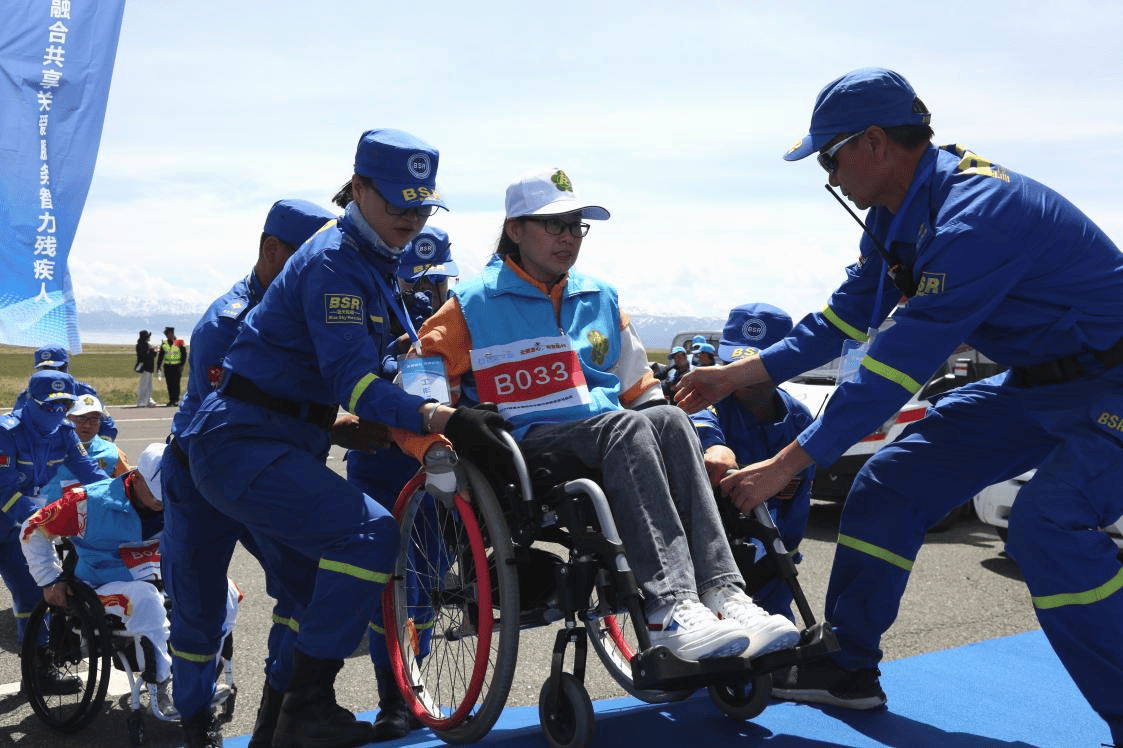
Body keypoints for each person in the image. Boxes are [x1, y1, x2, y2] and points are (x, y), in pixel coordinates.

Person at [675, 68, 1123, 743]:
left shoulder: (976, 216)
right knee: (889, 481)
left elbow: (892, 369)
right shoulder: (897, 215)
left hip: (1112, 384)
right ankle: (847, 664)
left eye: (829, 158)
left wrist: (786, 464)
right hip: (1040, 383)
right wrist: (735, 375)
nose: (829, 177)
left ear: (874, 142)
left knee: (1047, 526)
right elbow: (842, 318)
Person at [180, 129, 508, 748]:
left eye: (422, 207)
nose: (410, 219)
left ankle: (281, 724)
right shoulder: (335, 263)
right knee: (369, 535)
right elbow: (353, 385)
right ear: (358, 188)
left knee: (309, 590)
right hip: (243, 443)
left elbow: (378, 361)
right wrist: (440, 418)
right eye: (398, 203)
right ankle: (303, 706)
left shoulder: (372, 258)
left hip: (277, 440)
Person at [415, 167, 800, 665]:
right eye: (554, 225)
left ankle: (723, 591)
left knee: (669, 419)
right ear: (515, 230)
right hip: (527, 447)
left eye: (576, 225)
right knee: (629, 425)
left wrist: (698, 440)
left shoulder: (601, 296)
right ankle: (668, 606)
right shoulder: (471, 304)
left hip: (612, 435)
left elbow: (641, 387)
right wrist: (438, 454)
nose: (569, 237)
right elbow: (421, 387)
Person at [161, 198, 336, 748]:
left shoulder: (310, 313)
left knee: (306, 591)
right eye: (308, 261)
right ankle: (195, 724)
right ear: (272, 251)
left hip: (273, 470)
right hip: (204, 476)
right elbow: (247, 424)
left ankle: (275, 718)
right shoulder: (227, 324)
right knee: (198, 611)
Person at [341, 223, 458, 741]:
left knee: (426, 583)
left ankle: (415, 682)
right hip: (383, 468)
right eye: (420, 281)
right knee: (389, 586)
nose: (432, 291)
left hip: (440, 469)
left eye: (439, 280)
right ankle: (393, 696)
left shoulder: (459, 326)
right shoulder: (368, 318)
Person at [20, 443, 239, 720]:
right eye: (156, 494)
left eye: (168, 493)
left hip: (163, 577)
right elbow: (33, 529)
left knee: (224, 589)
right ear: (135, 477)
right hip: (102, 585)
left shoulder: (184, 496)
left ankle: (203, 674)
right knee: (146, 598)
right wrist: (49, 580)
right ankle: (164, 685)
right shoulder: (87, 502)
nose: (163, 502)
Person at [689, 303, 814, 621]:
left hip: (772, 564)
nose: (745, 375)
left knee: (779, 635)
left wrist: (782, 562)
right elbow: (698, 421)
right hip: (707, 566)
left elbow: (796, 509)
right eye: (736, 363)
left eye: (757, 365)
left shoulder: (799, 419)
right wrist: (715, 447)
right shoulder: (708, 402)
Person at [0, 370, 109, 692]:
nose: (58, 412)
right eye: (50, 405)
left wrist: (125, 498)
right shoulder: (6, 432)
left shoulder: (64, 432)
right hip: (17, 513)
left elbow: (90, 472)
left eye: (64, 405)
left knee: (33, 594)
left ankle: (37, 673)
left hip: (17, 527)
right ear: (30, 402)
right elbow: (2, 490)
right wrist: (42, 516)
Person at [13, 344, 118, 440]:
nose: (52, 373)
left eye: (57, 368)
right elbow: (16, 430)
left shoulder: (85, 392)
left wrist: (101, 447)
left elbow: (107, 426)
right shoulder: (27, 396)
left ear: (67, 367)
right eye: (45, 369)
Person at [42, 393, 130, 501]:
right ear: (67, 418)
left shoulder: (113, 454)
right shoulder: (43, 449)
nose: (87, 425)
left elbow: (128, 491)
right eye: (81, 418)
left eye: (93, 419)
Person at [156, 327, 188, 406]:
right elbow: (161, 355)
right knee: (169, 384)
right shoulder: (165, 344)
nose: (168, 336)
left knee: (176, 383)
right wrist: (158, 366)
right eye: (167, 334)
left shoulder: (179, 342)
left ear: (172, 334)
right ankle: (171, 400)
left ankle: (176, 400)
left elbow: (184, 355)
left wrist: (182, 365)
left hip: (176, 366)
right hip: (167, 366)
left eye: (169, 334)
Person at [135, 331, 159, 407]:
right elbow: (143, 356)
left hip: (150, 367)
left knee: (149, 385)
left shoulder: (147, 345)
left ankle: (148, 399)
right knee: (143, 385)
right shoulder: (140, 345)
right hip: (144, 367)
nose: (149, 338)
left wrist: (154, 352)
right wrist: (151, 352)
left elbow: (151, 355)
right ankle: (141, 401)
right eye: (147, 336)